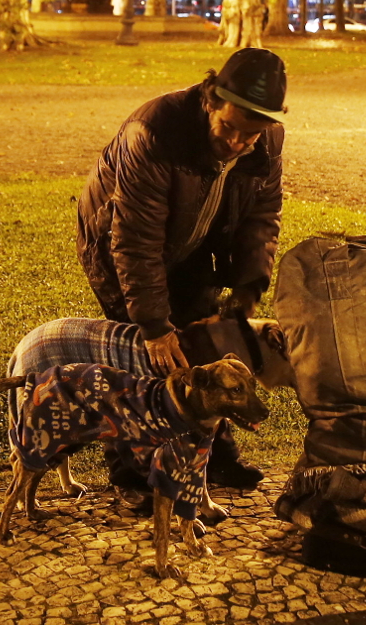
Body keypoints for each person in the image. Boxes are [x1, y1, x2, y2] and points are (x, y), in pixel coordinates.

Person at [76, 47, 287, 489]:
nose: (236, 142)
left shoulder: (267, 140)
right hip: (117, 246)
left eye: (248, 135)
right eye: (228, 127)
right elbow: (135, 237)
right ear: (211, 98)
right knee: (141, 358)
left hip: (193, 246)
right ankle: (130, 472)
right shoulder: (153, 133)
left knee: (205, 348)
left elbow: (261, 214)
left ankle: (214, 458)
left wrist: (249, 284)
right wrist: (153, 324)